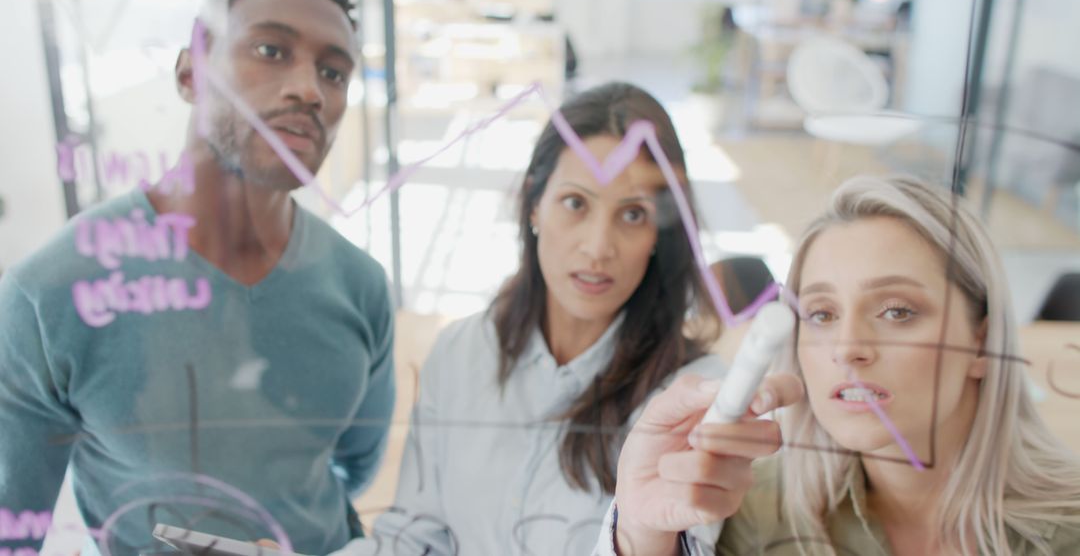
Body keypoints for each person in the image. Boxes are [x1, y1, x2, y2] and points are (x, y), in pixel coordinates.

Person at [0, 0, 394, 553]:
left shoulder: (360, 285)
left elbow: (352, 467)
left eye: (333, 73)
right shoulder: (48, 295)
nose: (309, 89)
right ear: (191, 73)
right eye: (271, 50)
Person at [319, 81, 726, 555]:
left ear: (661, 232)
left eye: (633, 215)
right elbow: (413, 538)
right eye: (576, 203)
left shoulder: (689, 398)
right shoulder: (460, 352)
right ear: (534, 202)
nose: (598, 247)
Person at [605, 174, 1080, 555]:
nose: (847, 347)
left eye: (897, 311)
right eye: (822, 315)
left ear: (981, 342)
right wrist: (641, 538)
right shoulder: (746, 515)